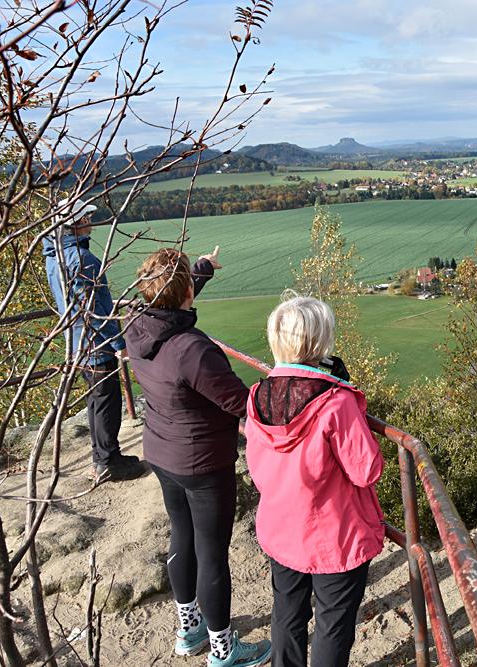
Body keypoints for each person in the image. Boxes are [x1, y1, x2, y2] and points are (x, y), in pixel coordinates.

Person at [125, 247, 271, 667]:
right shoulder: (192, 350)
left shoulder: (137, 324)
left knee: (182, 537)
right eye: (190, 277)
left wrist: (202, 268)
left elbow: (169, 302)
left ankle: (189, 630)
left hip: (161, 452)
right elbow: (242, 404)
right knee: (212, 553)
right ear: (185, 289)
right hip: (204, 462)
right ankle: (224, 650)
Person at [244, 294, 384, 667]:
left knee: (287, 617)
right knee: (332, 626)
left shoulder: (257, 396)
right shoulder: (335, 402)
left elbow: (257, 464)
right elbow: (366, 469)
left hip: (281, 529)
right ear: (319, 343)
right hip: (333, 538)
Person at [42, 198, 143, 483]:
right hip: (95, 344)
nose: (90, 223)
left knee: (96, 402)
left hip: (77, 342)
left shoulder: (54, 257)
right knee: (106, 403)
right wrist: (118, 343)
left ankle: (105, 456)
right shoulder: (83, 259)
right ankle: (107, 462)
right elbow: (96, 310)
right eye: (85, 219)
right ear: (74, 224)